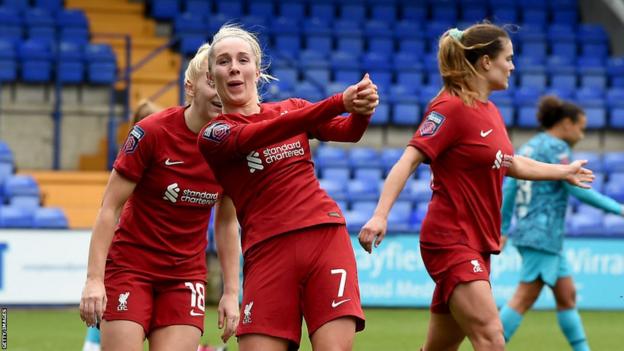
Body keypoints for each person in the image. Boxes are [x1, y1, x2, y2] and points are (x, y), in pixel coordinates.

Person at [357, 24, 594, 351]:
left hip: (477, 242)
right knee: (492, 338)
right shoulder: (450, 108)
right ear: (485, 62)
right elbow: (407, 161)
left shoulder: (491, 112)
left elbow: (510, 163)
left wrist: (562, 171)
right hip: (450, 239)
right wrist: (380, 215)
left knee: (440, 348)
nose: (513, 66)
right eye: (508, 58)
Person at [196, 24, 379, 351]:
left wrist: (362, 110)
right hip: (267, 252)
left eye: (242, 59)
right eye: (223, 62)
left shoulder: (293, 108)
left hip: (325, 238)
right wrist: (339, 100)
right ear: (211, 78)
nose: (234, 67)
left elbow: (349, 132)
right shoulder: (214, 135)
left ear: (257, 68)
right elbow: (273, 130)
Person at [79, 43, 241, 351]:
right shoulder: (152, 132)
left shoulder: (232, 148)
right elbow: (110, 208)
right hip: (130, 268)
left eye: (223, 83)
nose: (220, 92)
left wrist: (232, 292)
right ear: (190, 88)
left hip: (185, 276)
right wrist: (94, 279)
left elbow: (227, 223)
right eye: (211, 82)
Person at [498, 96, 624, 351]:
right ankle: (489, 346)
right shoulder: (558, 148)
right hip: (542, 234)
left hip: (534, 233)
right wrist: (619, 209)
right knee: (524, 297)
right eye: (581, 126)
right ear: (567, 123)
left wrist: (502, 229)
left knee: (567, 296)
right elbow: (577, 189)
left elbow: (509, 185)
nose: (582, 133)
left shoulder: (529, 147)